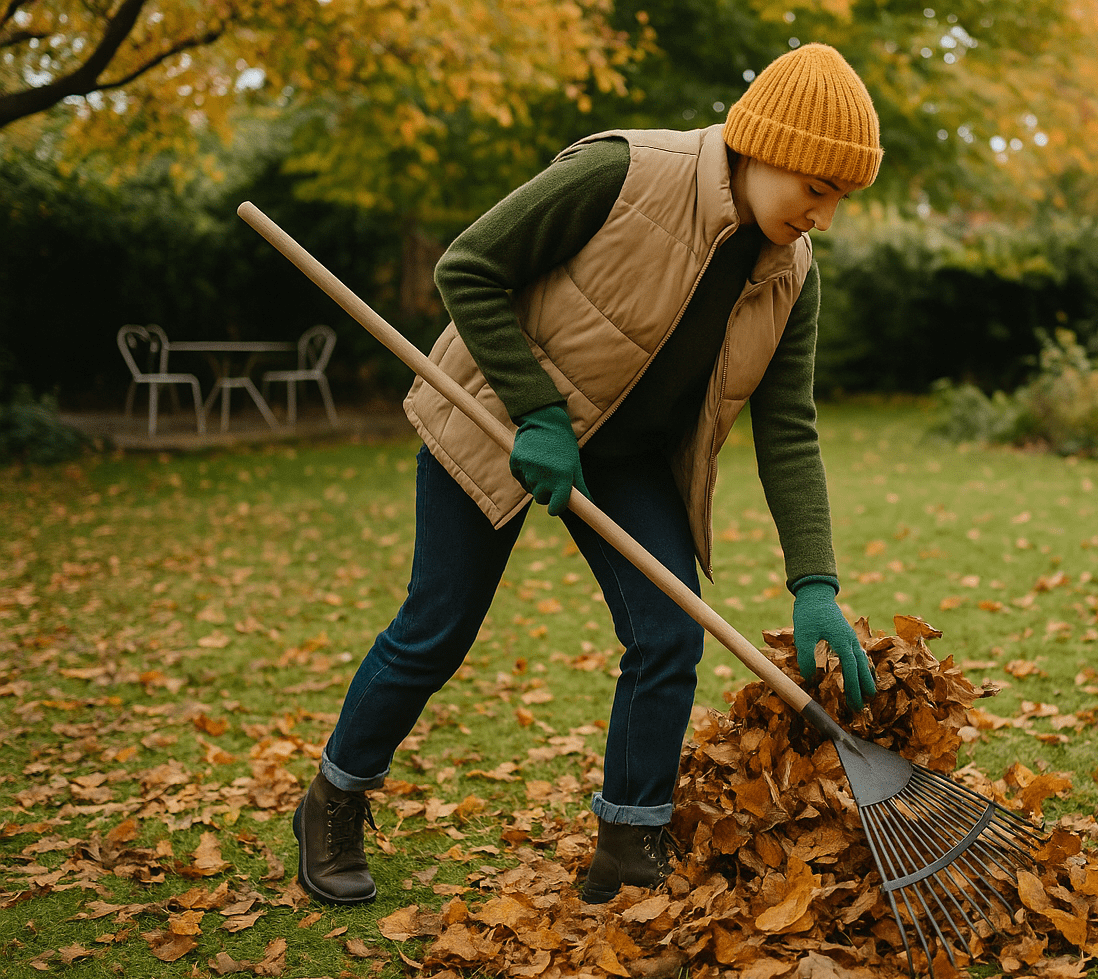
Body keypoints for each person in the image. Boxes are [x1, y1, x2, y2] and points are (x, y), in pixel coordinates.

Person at [292, 42, 882, 906]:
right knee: (437, 626)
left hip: (629, 457)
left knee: (669, 633)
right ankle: (333, 800)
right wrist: (536, 411)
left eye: (841, 198)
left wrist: (816, 581)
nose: (824, 216)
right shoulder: (624, 171)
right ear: (767, 150)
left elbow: (787, 427)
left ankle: (628, 848)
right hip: (498, 411)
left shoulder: (790, 276)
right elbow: (468, 267)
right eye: (817, 189)